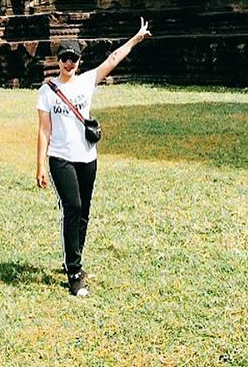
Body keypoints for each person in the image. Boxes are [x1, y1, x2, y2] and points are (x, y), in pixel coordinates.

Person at [36, 18, 151, 297]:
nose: (68, 63)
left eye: (73, 59)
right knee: (72, 207)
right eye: (64, 58)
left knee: (84, 211)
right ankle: (74, 272)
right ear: (58, 60)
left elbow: (113, 59)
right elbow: (43, 130)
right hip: (60, 157)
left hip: (87, 156)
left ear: (79, 61)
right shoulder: (47, 90)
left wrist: (136, 39)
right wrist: (40, 165)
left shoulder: (87, 81)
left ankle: (74, 258)